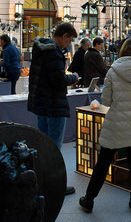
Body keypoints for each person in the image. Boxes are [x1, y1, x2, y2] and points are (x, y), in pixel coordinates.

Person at [79, 38, 131, 214]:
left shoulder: (113, 72)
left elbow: (106, 101)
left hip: (116, 123)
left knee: (103, 163)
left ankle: (89, 199)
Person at [27, 23, 79, 196]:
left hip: (41, 103)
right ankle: (55, 184)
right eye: (69, 40)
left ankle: (42, 180)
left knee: (44, 143)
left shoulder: (41, 49)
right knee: (54, 146)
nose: (68, 44)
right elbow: (58, 79)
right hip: (53, 103)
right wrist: (73, 77)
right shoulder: (54, 52)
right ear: (64, 36)